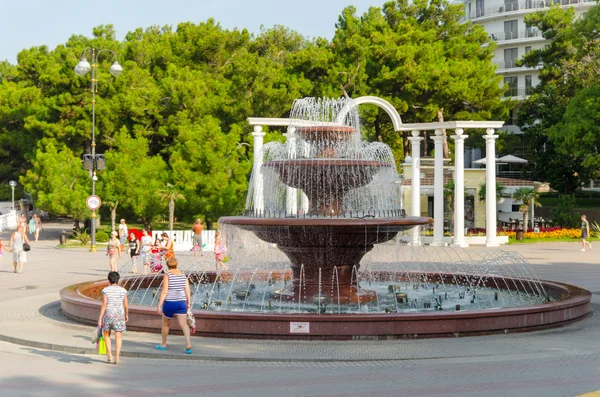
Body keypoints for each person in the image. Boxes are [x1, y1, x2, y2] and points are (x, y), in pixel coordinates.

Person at [155, 257, 193, 354]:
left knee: (165, 324)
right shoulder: (183, 275)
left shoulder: (168, 275)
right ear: (177, 265)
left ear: (168, 266)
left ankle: (163, 344)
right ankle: (188, 344)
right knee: (184, 324)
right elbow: (187, 291)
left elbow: (164, 291)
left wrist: (159, 305)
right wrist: (188, 303)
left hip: (170, 303)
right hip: (181, 302)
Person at [97, 271, 128, 365]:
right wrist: (126, 314)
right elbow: (126, 305)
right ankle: (117, 357)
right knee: (118, 336)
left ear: (108, 280)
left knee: (106, 335)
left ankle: (110, 356)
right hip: (119, 315)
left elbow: (104, 304)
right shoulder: (123, 290)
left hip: (108, 315)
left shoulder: (105, 290)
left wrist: (100, 319)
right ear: (118, 280)